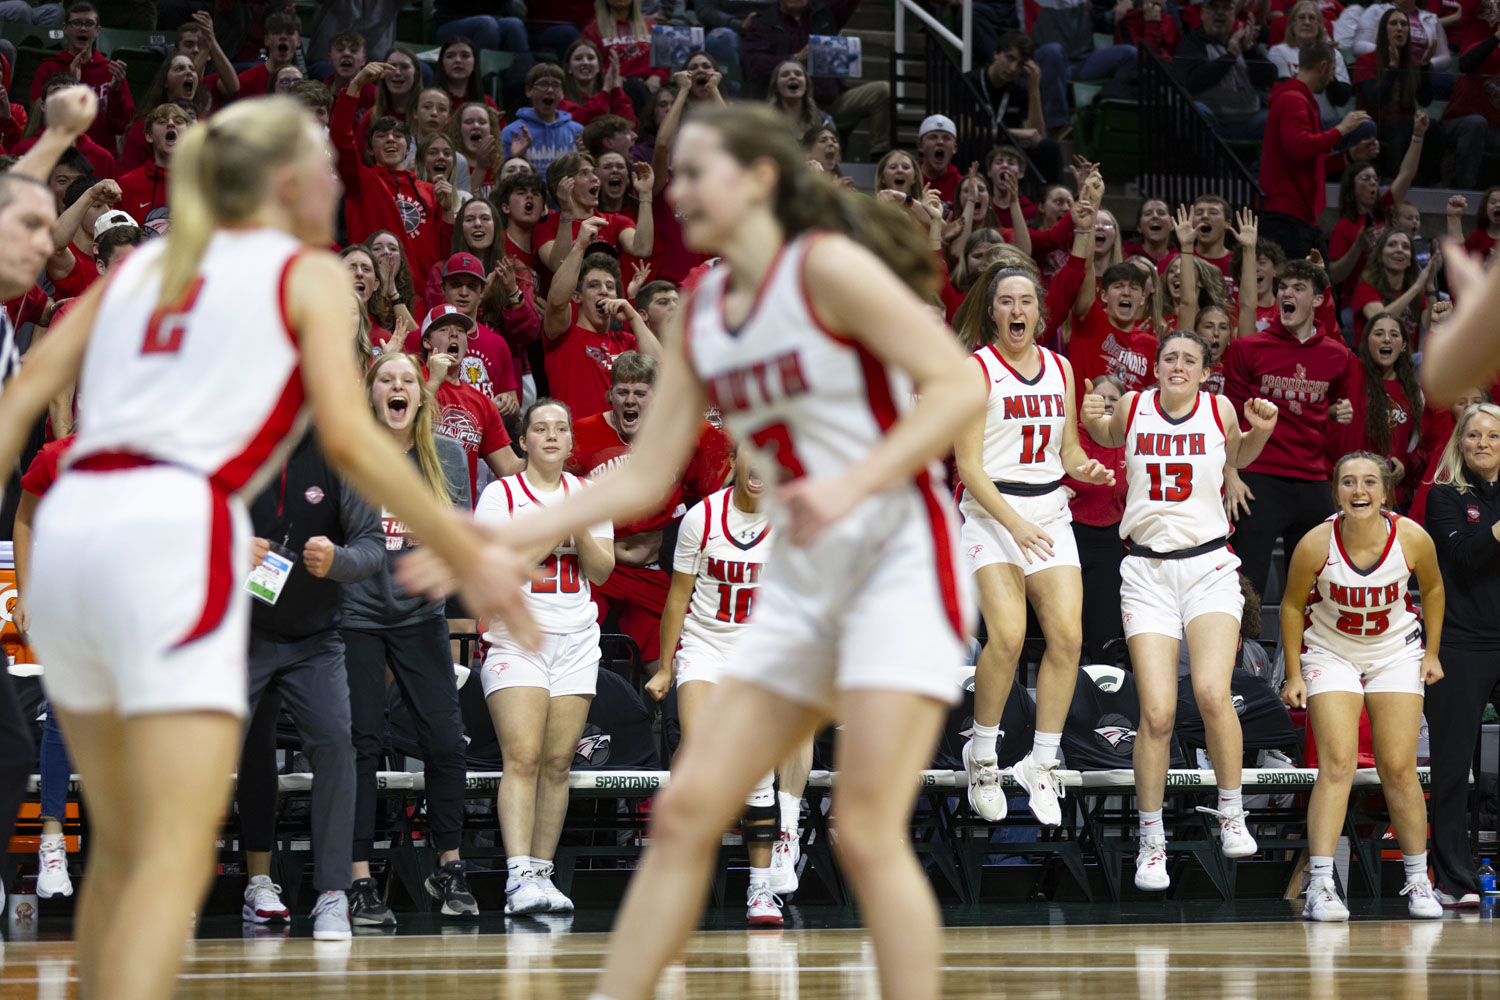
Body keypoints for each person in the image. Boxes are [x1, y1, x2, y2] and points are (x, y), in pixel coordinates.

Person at [402, 101, 986, 1000]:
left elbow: (954, 387)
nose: (673, 188)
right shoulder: (706, 307)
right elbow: (646, 475)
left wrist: (851, 480)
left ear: (756, 181)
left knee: (864, 834)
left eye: (693, 171)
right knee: (683, 813)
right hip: (805, 577)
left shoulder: (826, 268)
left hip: (900, 565)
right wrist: (500, 529)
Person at [0, 92, 535, 1000]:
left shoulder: (138, 272)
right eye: (326, 165)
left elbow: (26, 399)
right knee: (167, 845)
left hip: (82, 540)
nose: (339, 180)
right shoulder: (306, 279)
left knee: (130, 839)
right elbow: (361, 442)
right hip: (172, 547)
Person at [1082, 331, 1280, 892]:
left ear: (1203, 371)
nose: (1177, 366)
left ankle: (1232, 810)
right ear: (1157, 366)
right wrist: (1093, 414)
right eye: (1169, 357)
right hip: (1145, 571)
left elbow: (1240, 454)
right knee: (1159, 713)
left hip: (1209, 567)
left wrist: (1261, 429)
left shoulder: (1218, 408)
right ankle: (1152, 840)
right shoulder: (1135, 404)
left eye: (1188, 360)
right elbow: (1103, 432)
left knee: (1216, 693)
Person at [954, 267, 1115, 826]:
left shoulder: (1063, 368)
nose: (1016, 310)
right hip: (991, 510)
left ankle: (1040, 763)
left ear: (1039, 313)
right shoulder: (975, 371)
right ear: (993, 312)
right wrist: (1014, 525)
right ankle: (983, 752)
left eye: (1026, 301)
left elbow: (1067, 449)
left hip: (1048, 507)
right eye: (1005, 301)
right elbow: (968, 468)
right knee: (1009, 634)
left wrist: (1085, 468)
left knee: (1069, 637)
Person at [341, 351, 492, 928]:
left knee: (447, 741)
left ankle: (449, 866)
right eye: (386, 379)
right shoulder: (349, 454)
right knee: (363, 742)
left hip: (419, 617)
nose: (397, 387)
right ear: (372, 393)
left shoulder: (446, 455)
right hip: (356, 616)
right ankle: (358, 879)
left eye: (407, 380)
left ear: (420, 396)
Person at [646, 446, 812, 925]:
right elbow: (678, 597)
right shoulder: (701, 518)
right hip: (706, 647)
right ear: (734, 461)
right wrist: (664, 666)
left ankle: (760, 890)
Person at [1279, 452, 1445, 921]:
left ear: (1385, 492)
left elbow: (1432, 589)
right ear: (1336, 493)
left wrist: (1431, 652)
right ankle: (1323, 885)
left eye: (1369, 482)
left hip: (1396, 652)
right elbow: (1291, 607)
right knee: (1337, 765)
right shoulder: (1315, 543)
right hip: (1331, 652)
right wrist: (1294, 674)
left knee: (1398, 767)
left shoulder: (1411, 537)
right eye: (1349, 482)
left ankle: (1417, 882)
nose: (1359, 491)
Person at [235, 433, 384, 940]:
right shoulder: (233, 442)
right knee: (205, 755)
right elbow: (182, 527)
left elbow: (372, 548)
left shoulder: (341, 453)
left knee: (336, 745)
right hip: (238, 634)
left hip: (315, 639)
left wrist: (338, 560)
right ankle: (188, 890)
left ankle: (332, 895)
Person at [475, 398, 615, 917]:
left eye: (561, 428)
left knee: (558, 764)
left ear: (571, 443)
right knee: (525, 757)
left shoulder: (589, 496)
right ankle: (516, 878)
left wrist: (575, 526)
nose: (552, 435)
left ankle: (541, 873)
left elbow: (601, 572)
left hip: (577, 639)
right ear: (523, 440)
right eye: (540, 428)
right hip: (517, 637)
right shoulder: (500, 493)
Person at [1221, 258, 1357, 596]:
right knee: (1245, 584)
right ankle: (1240, 649)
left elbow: (1339, 408)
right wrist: (1231, 473)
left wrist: (1338, 412)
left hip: (1312, 481)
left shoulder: (1338, 357)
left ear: (1317, 301)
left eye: (1298, 288)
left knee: (1314, 590)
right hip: (1257, 479)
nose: (1287, 293)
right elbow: (1228, 416)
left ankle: (1300, 651)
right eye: (1283, 287)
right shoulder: (1246, 348)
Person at [1422, 402, 1500, 907]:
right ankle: (1452, 879)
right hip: (1460, 643)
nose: (1483, 443)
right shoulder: (1445, 497)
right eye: (1473, 435)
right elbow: (1468, 557)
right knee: (1451, 767)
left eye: (1493, 434)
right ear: (1460, 442)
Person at [1259, 38, 1378, 261]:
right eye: (1332, 70)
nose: (1332, 77)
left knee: (1320, 289)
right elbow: (1299, 148)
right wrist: (1341, 130)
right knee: (1309, 290)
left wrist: (1350, 156)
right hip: (1287, 216)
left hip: (1296, 214)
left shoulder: (1295, 98)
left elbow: (1309, 160)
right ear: (1323, 66)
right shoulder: (1294, 100)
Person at [1063, 374, 1128, 662]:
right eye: (1099, 398)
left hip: (1110, 542)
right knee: (1067, 635)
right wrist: (1056, 489)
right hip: (1069, 537)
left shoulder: (1131, 439)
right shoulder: (1069, 438)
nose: (1106, 404)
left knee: (1104, 636)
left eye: (1114, 399)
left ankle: (1101, 702)